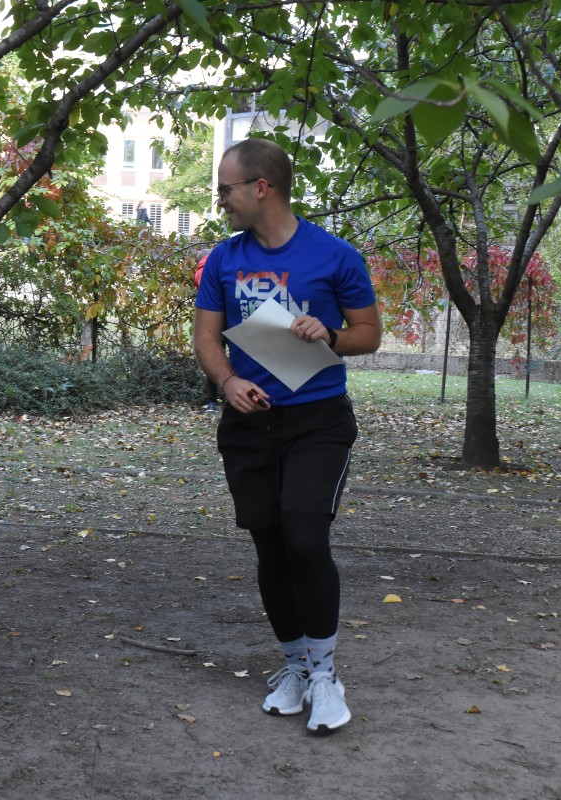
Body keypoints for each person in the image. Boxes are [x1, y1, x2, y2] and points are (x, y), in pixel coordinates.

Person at [193, 138, 381, 734]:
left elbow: (369, 333)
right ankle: (295, 665)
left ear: (261, 188)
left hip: (317, 421)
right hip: (249, 423)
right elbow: (206, 337)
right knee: (271, 547)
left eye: (226, 189)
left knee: (304, 536)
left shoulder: (335, 255)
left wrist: (329, 333)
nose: (221, 200)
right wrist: (227, 381)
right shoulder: (223, 259)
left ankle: (325, 674)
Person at [193, 249, 220, 412]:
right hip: (230, 318)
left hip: (213, 321)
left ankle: (212, 401)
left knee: (213, 357)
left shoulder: (199, 273)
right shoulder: (218, 267)